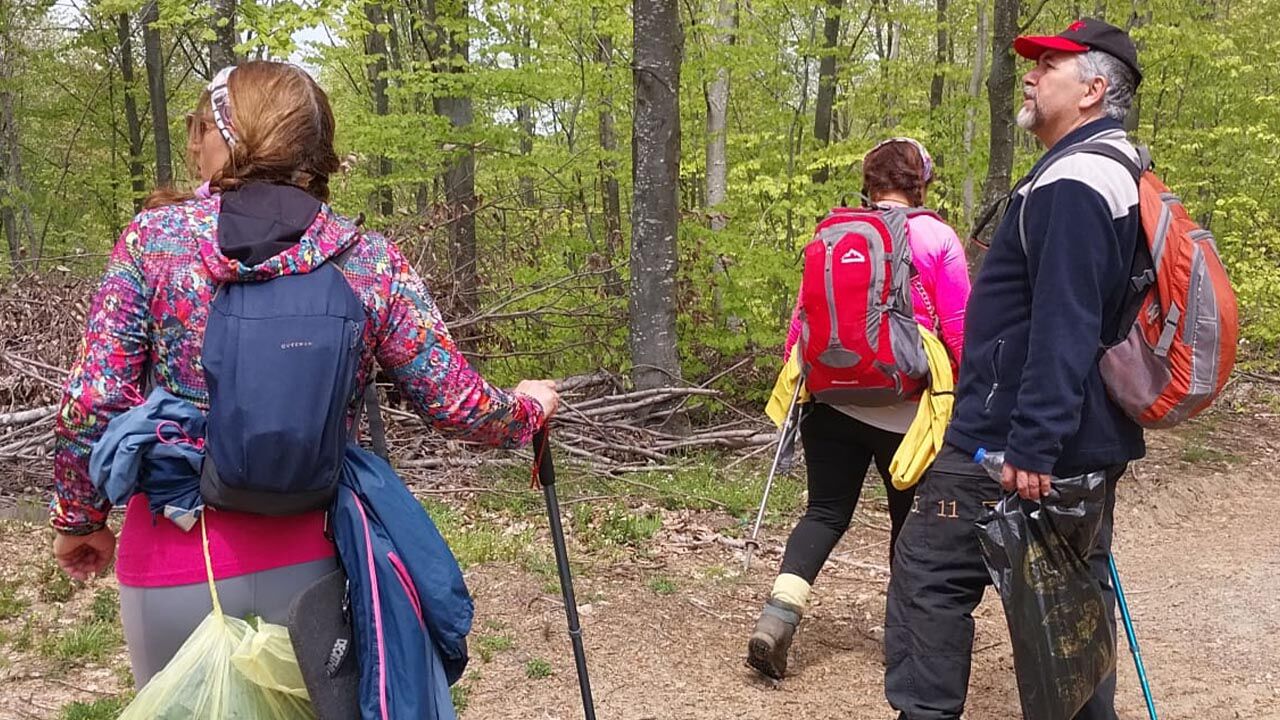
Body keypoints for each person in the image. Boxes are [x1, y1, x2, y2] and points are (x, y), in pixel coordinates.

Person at [48, 61, 560, 686]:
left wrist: (81, 520)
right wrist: (529, 407)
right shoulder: (364, 257)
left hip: (177, 559)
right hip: (314, 558)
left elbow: (92, 402)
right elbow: (458, 405)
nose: (194, 146)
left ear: (233, 138)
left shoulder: (153, 242)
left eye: (203, 129)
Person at [883, 18, 1146, 719]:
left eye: (1049, 66)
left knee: (930, 577)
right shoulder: (1110, 166)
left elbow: (1067, 316)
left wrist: (1032, 441)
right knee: (1065, 606)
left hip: (1013, 441)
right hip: (1071, 435)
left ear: (1093, 89)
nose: (1030, 75)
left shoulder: (1078, 179)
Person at [747, 137, 971, 680]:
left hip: (828, 399)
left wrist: (807, 386)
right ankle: (905, 643)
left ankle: (777, 618)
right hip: (905, 408)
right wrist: (969, 399)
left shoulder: (833, 233)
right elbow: (963, 328)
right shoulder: (937, 236)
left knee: (824, 512)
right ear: (924, 181)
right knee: (908, 525)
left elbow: (802, 324)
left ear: (869, 184)